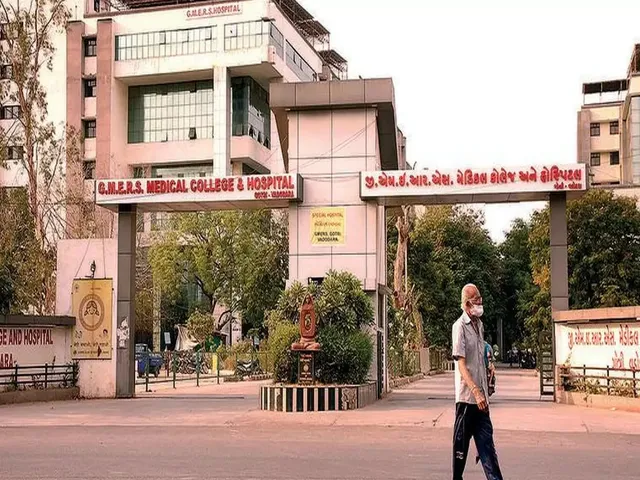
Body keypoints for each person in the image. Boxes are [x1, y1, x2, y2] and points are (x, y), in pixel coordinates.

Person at [451, 283, 504, 480]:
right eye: (476, 303)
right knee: (460, 452)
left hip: (482, 404)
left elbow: (480, 362)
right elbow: (461, 365)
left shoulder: (479, 325)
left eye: (481, 302)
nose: (479, 306)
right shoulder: (459, 327)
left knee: (488, 449)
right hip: (467, 400)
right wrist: (475, 391)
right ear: (466, 304)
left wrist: (485, 394)